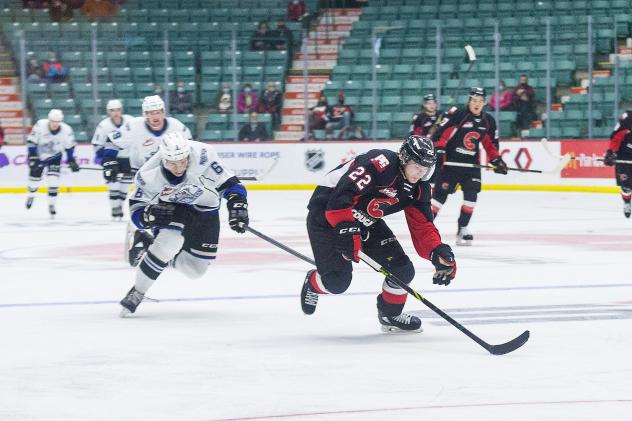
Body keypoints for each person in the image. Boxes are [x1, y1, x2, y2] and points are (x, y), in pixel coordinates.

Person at [301, 135, 457, 332]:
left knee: (402, 270)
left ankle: (390, 314)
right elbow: (341, 196)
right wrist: (348, 229)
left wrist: (437, 252)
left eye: (426, 168)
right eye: (417, 165)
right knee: (337, 282)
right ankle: (313, 282)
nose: (421, 172)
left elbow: (423, 227)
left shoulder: (419, 189)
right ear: (404, 158)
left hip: (365, 221)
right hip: (326, 216)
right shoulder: (380, 163)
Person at [119, 132, 249, 316]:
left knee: (195, 270)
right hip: (173, 208)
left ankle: (148, 243)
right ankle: (138, 291)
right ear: (163, 158)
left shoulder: (204, 155)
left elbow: (232, 185)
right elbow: (135, 209)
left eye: (182, 161)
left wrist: (238, 206)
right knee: (168, 244)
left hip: (205, 209)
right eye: (172, 163)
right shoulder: (149, 174)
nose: (179, 167)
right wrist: (148, 216)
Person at [102, 95, 192, 266]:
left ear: (163, 112)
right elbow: (112, 142)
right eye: (150, 113)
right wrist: (109, 162)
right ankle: (139, 234)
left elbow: (192, 149)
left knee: (174, 210)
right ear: (145, 114)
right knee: (144, 207)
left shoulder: (177, 127)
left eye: (157, 112)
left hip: (171, 173)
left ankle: (168, 242)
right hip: (144, 176)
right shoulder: (133, 126)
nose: (154, 116)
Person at [430, 87, 508, 246]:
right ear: (469, 101)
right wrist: (439, 150)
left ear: (484, 102)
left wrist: (497, 161)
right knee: (439, 198)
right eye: (474, 100)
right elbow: (441, 134)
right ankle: (425, 228)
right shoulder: (458, 114)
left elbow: (490, 144)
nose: (476, 104)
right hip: (451, 164)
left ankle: (462, 229)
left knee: (471, 197)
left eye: (480, 101)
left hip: (471, 165)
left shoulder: (488, 121)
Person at [25, 109, 79, 217]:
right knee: (34, 181)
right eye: (53, 121)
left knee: (54, 182)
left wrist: (71, 160)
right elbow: (31, 141)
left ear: (61, 121)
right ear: (49, 120)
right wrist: (33, 156)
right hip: (39, 156)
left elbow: (69, 147)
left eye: (58, 121)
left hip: (55, 157)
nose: (55, 124)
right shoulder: (40, 125)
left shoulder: (67, 130)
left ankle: (52, 205)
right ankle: (31, 195)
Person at [91, 99, 134, 220]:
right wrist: (102, 159)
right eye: (112, 110)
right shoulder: (103, 125)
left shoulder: (130, 121)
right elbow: (97, 144)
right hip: (111, 158)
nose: (115, 112)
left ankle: (119, 205)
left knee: (125, 187)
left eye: (118, 110)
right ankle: (115, 208)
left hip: (127, 158)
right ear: (108, 111)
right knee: (113, 185)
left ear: (121, 110)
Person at [603, 111, 632, 218]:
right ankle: (627, 202)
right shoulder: (628, 119)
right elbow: (616, 137)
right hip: (625, 155)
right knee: (626, 186)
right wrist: (611, 152)